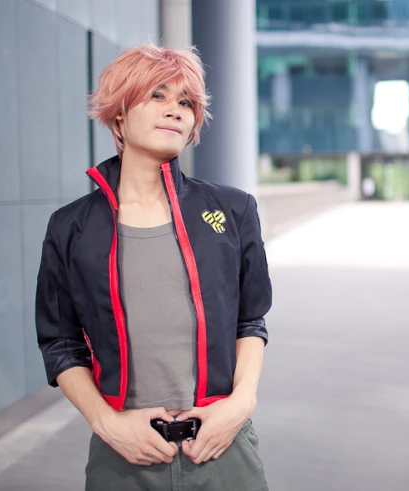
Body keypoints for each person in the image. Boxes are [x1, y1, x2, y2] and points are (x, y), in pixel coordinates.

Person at [34, 42, 272, 490]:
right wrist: (106, 423)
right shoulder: (71, 228)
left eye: (186, 102)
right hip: (124, 455)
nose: (176, 110)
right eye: (158, 95)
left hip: (223, 446)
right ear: (120, 113)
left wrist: (239, 406)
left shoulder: (232, 210)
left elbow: (250, 320)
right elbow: (60, 341)